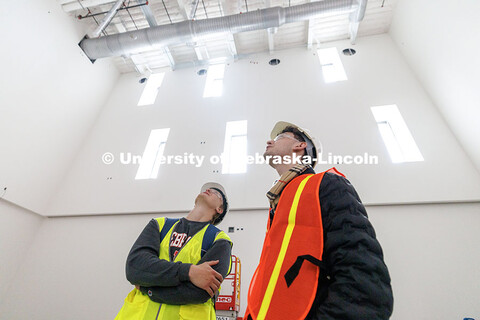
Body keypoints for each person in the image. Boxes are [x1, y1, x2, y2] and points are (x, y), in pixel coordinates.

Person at [245, 121, 393, 320]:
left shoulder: (326, 184)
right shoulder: (279, 204)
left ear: (300, 146)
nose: (269, 141)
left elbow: (362, 282)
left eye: (279, 138)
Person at [114, 182, 232, 320]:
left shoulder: (220, 240)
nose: (208, 190)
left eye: (216, 193)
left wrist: (149, 289)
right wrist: (189, 271)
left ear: (219, 209)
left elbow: (200, 292)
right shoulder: (159, 225)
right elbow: (135, 268)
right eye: (207, 189)